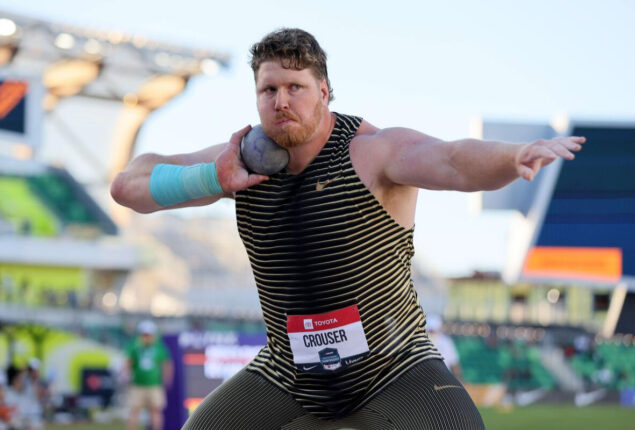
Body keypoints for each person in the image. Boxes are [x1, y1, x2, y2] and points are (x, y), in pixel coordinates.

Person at [111, 28, 584, 429]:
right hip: (289, 373)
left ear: (324, 91)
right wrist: (212, 178)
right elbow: (127, 187)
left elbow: (453, 160)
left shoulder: (372, 152)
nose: (281, 102)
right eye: (268, 90)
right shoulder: (237, 164)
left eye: (295, 87)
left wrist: (512, 157)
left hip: (394, 365)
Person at [125, 320, 173, 430]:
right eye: (144, 334)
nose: (147, 337)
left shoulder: (158, 347)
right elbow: (128, 362)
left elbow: (166, 363)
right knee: (134, 411)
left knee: (155, 411)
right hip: (138, 384)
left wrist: (167, 377)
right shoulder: (135, 346)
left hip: (154, 384)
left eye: (148, 335)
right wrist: (126, 376)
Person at [426, 314, 463, 381]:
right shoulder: (421, 341)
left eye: (433, 331)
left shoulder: (446, 342)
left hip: (442, 379)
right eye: (430, 331)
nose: (432, 333)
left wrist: (460, 379)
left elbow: (454, 363)